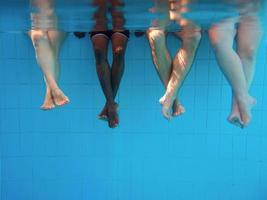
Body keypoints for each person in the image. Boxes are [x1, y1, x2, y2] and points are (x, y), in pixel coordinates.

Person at [208, 0, 263, 128]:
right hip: (223, 5)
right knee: (219, 41)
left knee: (249, 50)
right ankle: (243, 99)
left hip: (251, 6)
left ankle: (237, 108)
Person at [75, 0, 129, 128]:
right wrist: (80, 24)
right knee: (99, 52)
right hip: (99, 20)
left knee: (119, 51)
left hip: (119, 20)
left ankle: (109, 105)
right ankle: (111, 104)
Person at [147, 0, 201, 119]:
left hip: (179, 17)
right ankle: (173, 98)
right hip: (162, 16)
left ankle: (170, 96)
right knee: (155, 36)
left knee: (195, 37)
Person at [28, 0, 69, 110]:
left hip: (57, 20)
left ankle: (49, 93)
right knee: (38, 37)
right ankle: (55, 90)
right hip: (34, 22)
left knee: (52, 44)